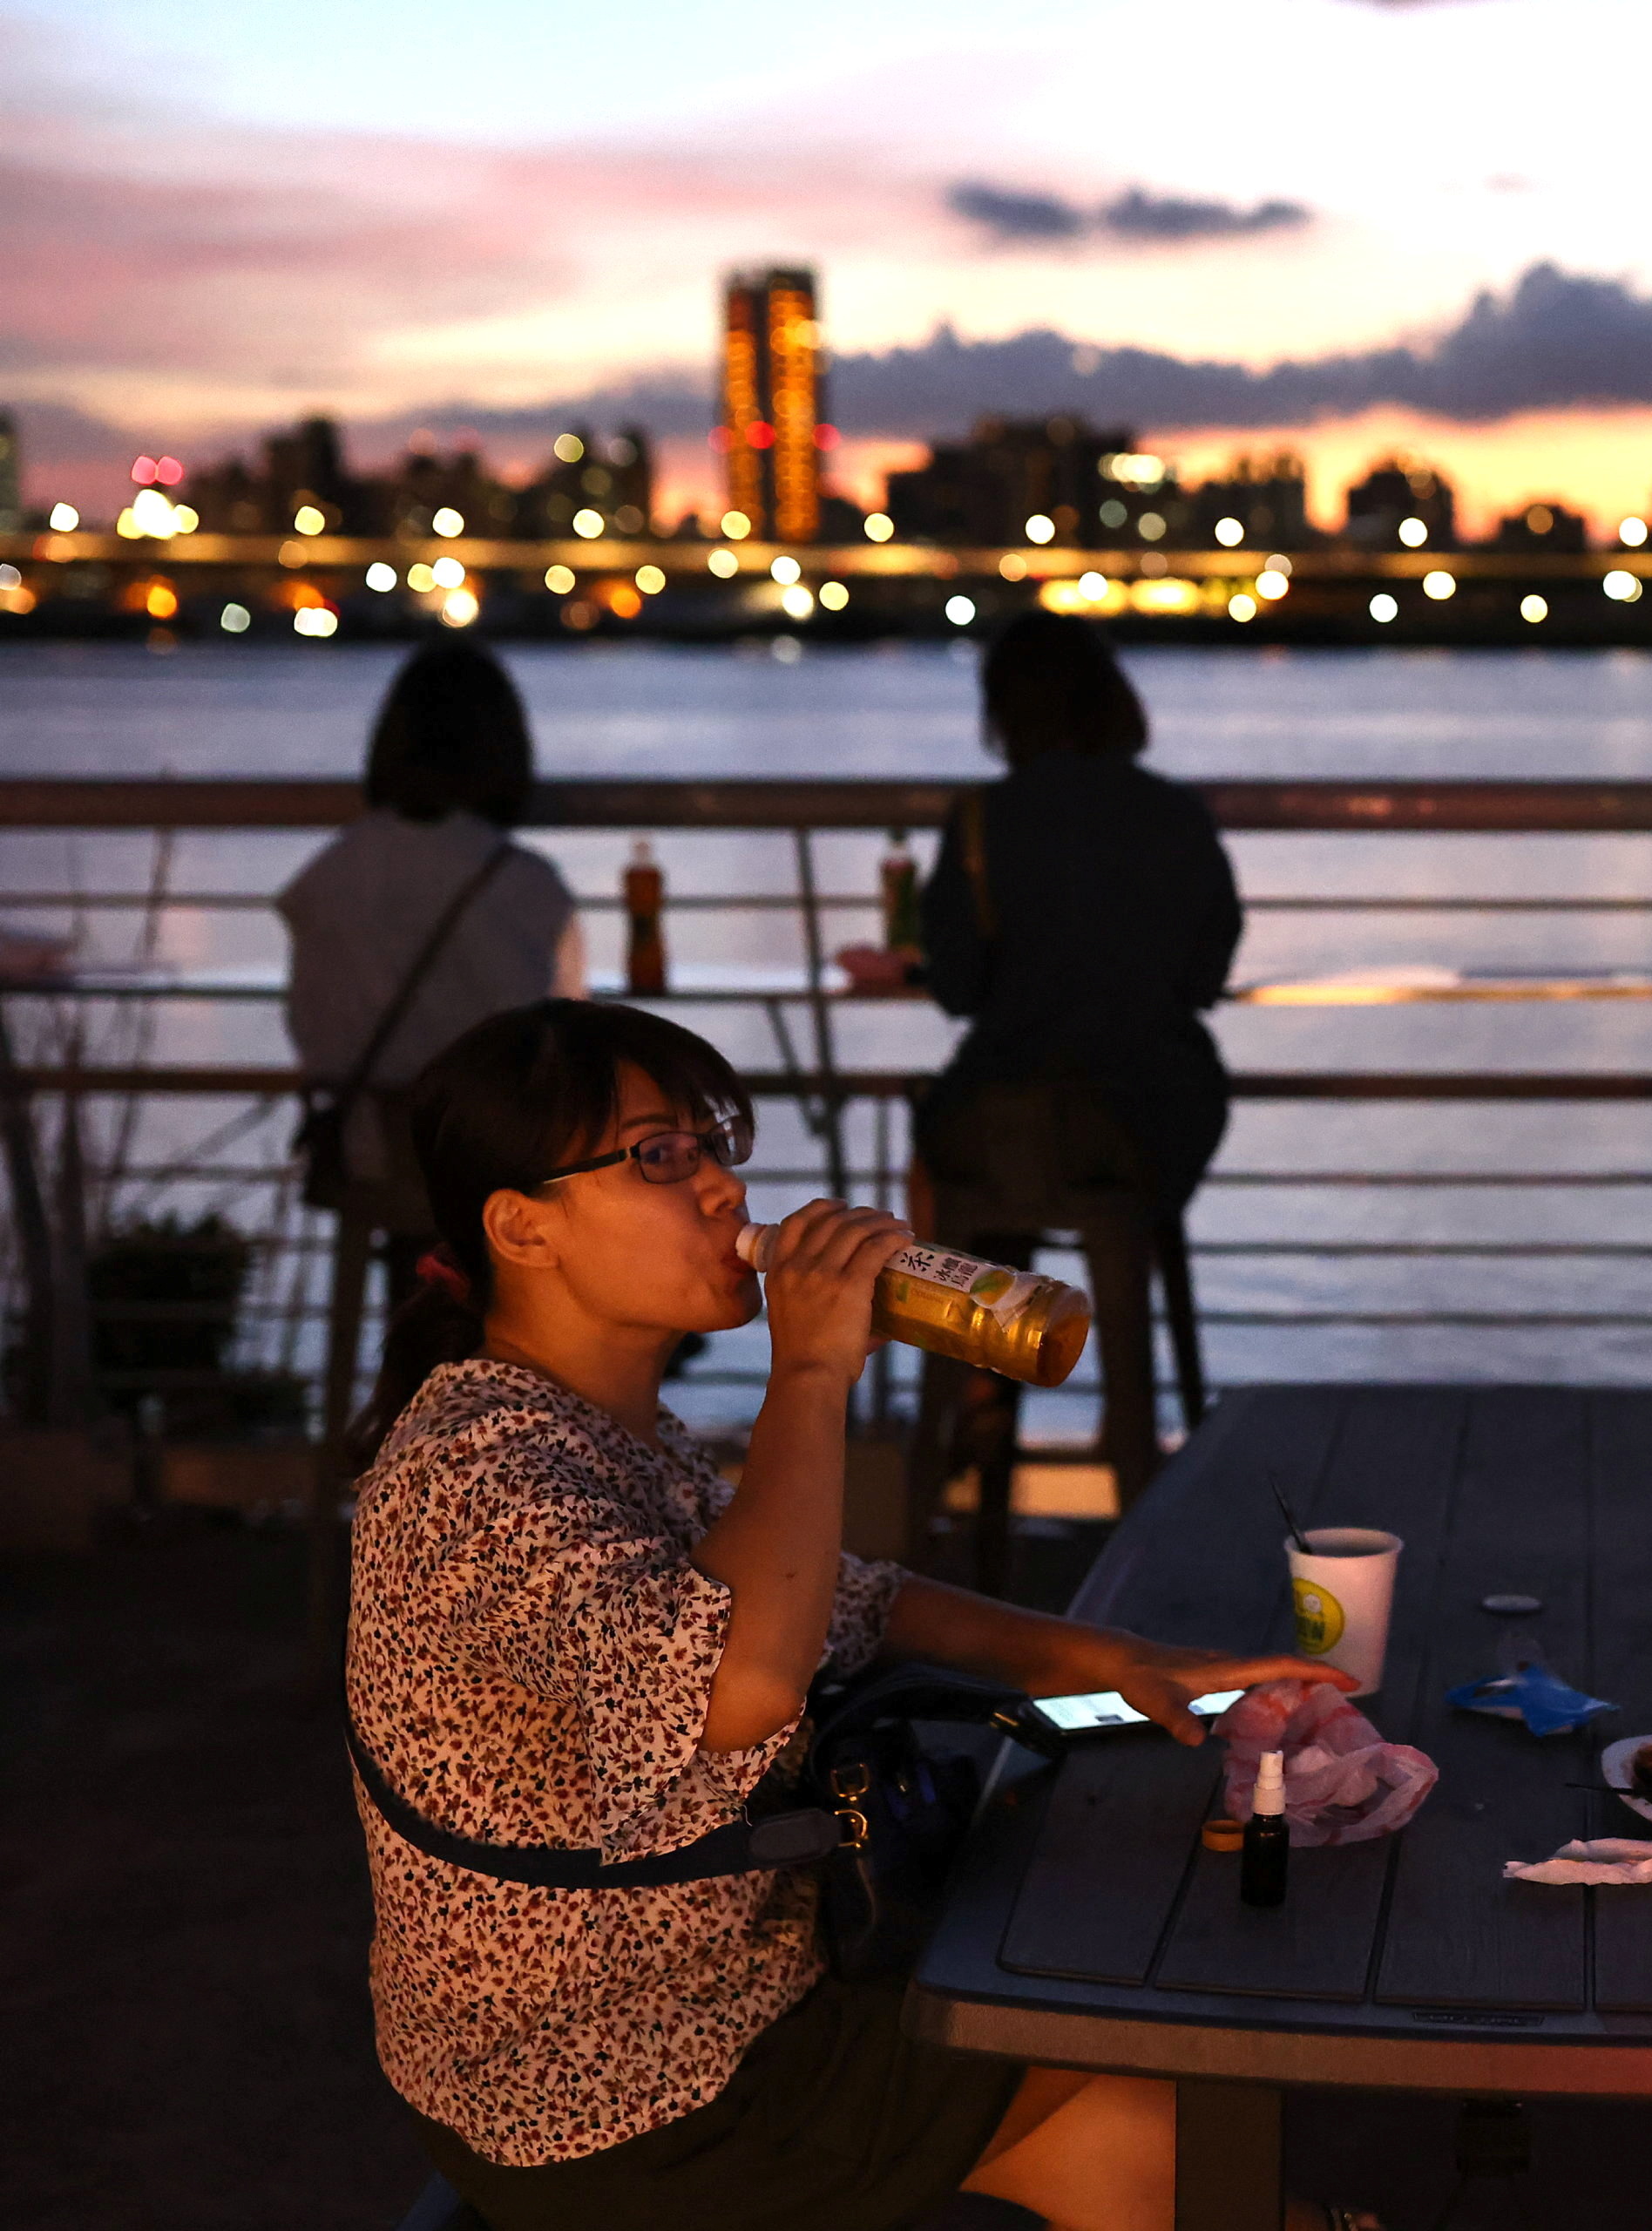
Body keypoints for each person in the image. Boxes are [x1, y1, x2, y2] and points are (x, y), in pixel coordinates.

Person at [343, 997, 1364, 2231]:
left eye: (717, 1147)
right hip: (620, 2084)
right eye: (661, 1156)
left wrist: (1125, 1663)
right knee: (1156, 2030)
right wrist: (813, 1367)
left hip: (719, 2002)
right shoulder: (480, 1475)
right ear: (523, 1227)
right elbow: (738, 1687)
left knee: (1153, 2143)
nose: (723, 1191)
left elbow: (845, 1598)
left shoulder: (597, 1429)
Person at [890, 614, 1243, 1501]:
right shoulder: (1175, 814)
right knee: (1088, 1185)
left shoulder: (981, 822)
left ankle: (972, 1382)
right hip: (1141, 1124)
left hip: (1004, 1122)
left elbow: (962, 988)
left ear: (1004, 712)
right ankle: (1128, 1421)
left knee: (961, 1155)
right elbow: (1206, 971)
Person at [280, 639, 583, 1255]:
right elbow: (568, 1023)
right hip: (496, 1167)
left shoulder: (330, 872)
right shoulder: (524, 881)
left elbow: (311, 1026)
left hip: (370, 1154)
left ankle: (408, 1341)